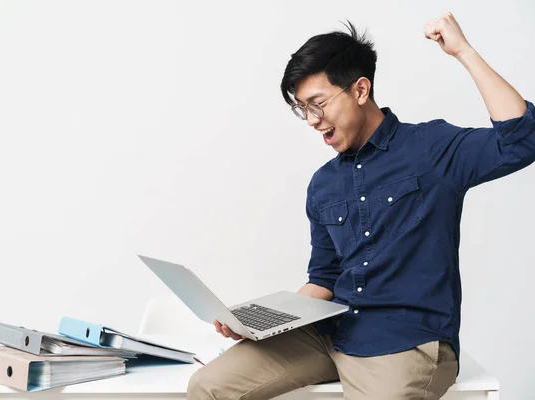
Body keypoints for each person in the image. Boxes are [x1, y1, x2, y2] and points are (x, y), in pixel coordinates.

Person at [187, 12, 535, 400]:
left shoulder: (430, 149)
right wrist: (265, 320)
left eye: (318, 103)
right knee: (207, 385)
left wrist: (464, 51)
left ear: (360, 90)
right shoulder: (322, 184)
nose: (312, 120)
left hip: (404, 342)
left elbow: (521, 142)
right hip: (329, 333)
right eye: (303, 108)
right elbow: (323, 278)